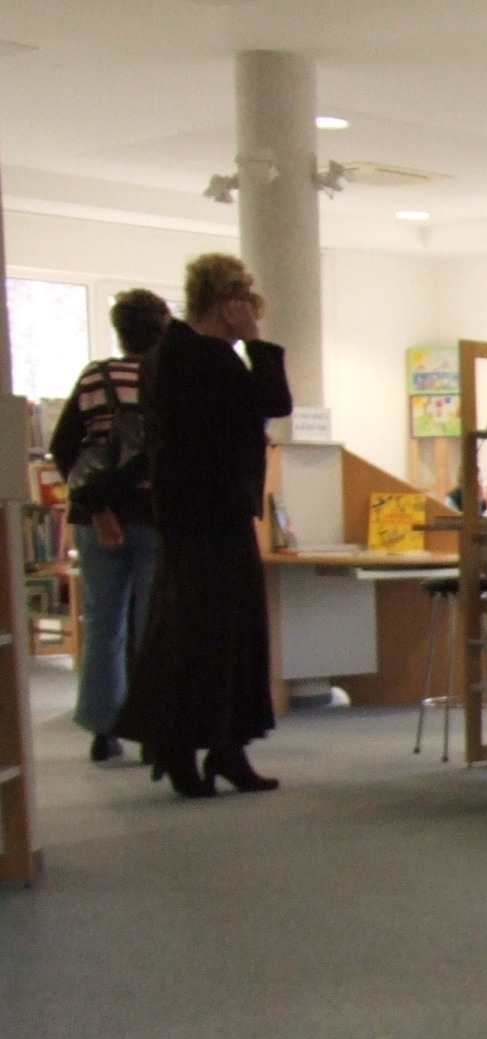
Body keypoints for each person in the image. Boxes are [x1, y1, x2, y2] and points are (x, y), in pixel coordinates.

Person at [113, 254, 290, 798]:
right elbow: (274, 400)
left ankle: (223, 746)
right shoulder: (201, 356)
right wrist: (256, 341)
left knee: (215, 631)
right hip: (209, 514)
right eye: (244, 307)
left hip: (198, 511)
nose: (247, 319)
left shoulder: (173, 354)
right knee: (205, 634)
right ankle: (187, 746)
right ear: (228, 303)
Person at [49, 288, 171, 762]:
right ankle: (152, 728)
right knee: (151, 625)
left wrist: (98, 508)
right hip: (153, 515)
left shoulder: (95, 377)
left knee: (103, 624)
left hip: (95, 518)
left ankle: (103, 730)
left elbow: (64, 448)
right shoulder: (164, 379)